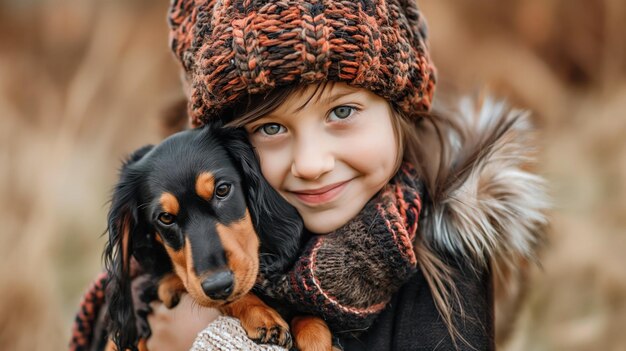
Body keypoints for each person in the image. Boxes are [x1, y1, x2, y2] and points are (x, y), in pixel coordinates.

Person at [70, 0, 548, 350]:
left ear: (400, 112)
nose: (312, 163)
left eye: (343, 110)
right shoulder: (162, 263)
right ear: (232, 148)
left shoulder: (445, 259)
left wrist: (218, 341)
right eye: (272, 127)